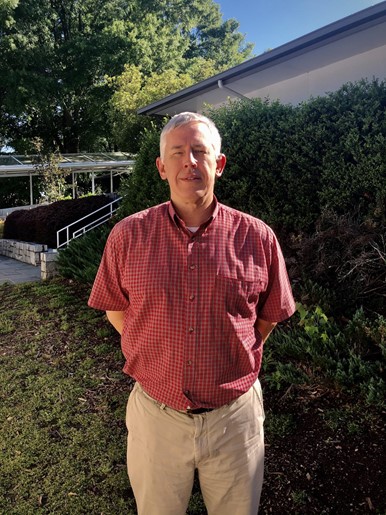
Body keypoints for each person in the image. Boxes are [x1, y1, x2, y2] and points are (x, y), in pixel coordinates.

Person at [88, 112, 296, 515]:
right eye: (178, 152)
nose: (190, 162)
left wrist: (231, 356)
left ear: (218, 163)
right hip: (155, 417)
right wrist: (153, 348)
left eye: (200, 151)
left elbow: (267, 318)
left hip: (235, 422)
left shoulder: (258, 237)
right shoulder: (127, 235)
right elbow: (115, 308)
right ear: (162, 166)